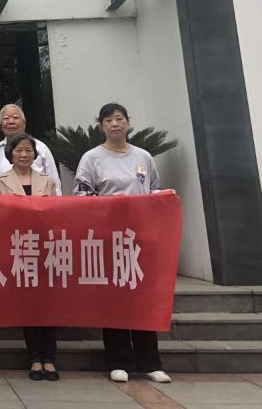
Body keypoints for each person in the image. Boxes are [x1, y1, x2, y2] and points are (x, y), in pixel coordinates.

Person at [74, 103, 171, 385]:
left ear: (128, 122)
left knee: (143, 299)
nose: (114, 124)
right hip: (108, 238)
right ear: (101, 126)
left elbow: (153, 189)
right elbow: (81, 196)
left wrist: (163, 196)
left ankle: (150, 363)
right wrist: (112, 206)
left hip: (140, 239)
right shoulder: (92, 158)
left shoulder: (143, 156)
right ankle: (118, 361)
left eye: (119, 119)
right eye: (108, 120)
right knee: (114, 301)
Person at [0, 132, 60, 381]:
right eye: (19, 150)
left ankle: (50, 358)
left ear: (35, 154)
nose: (24, 154)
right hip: (18, 248)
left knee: (48, 304)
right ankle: (35, 357)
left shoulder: (47, 181)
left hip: (45, 248)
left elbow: (57, 212)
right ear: (10, 154)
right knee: (29, 305)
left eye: (28, 150)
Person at [0, 104, 62, 194]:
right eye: (6, 118)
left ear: (24, 124)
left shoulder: (40, 147)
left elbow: (54, 183)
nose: (11, 121)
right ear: (1, 125)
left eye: (15, 117)